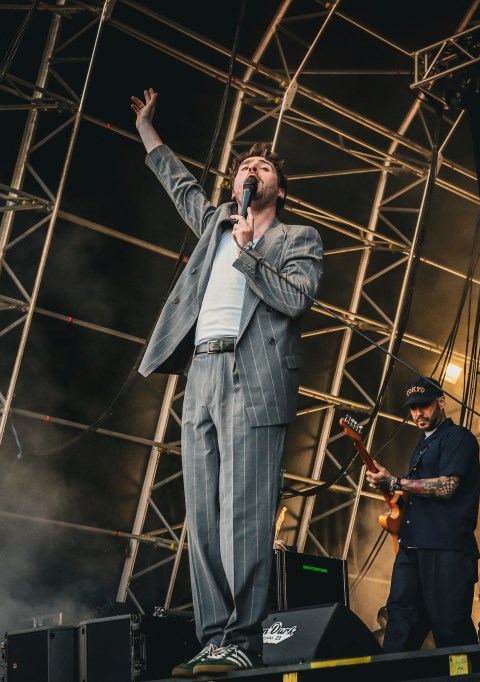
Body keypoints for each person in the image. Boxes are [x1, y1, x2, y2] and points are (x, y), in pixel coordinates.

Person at [130, 88, 324, 676]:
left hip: (254, 376)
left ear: (279, 189)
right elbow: (180, 185)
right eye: (244, 165)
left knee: (245, 512)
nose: (250, 169)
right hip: (202, 371)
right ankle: (214, 636)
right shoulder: (215, 222)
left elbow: (295, 299)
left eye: (262, 166)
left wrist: (246, 254)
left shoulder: (297, 238)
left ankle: (245, 637)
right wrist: (146, 129)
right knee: (204, 514)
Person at [365, 377, 480, 652]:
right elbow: (415, 492)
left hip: (447, 548)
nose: (418, 413)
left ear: (441, 402)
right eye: (413, 408)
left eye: (424, 405)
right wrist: (391, 487)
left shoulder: (458, 437)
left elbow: (446, 487)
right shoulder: (421, 445)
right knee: (399, 623)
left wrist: (395, 481)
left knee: (451, 629)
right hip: (412, 547)